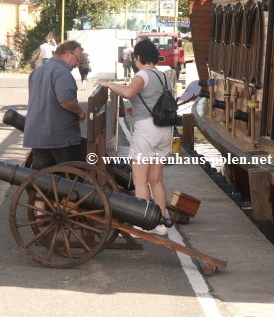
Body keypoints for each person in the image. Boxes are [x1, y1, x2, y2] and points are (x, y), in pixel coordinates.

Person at [95, 39, 172, 236]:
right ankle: (161, 222)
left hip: (146, 131)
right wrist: (134, 108)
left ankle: (144, 221)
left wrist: (109, 84)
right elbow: (155, 100)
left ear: (138, 57)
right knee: (157, 180)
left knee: (140, 179)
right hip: (164, 129)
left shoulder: (142, 74)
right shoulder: (164, 76)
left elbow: (129, 92)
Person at [24, 40, 86, 171]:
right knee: (71, 178)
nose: (77, 64)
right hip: (59, 136)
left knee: (44, 180)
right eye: (78, 59)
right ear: (68, 54)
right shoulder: (62, 72)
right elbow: (66, 100)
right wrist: (80, 112)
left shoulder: (37, 72)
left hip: (37, 136)